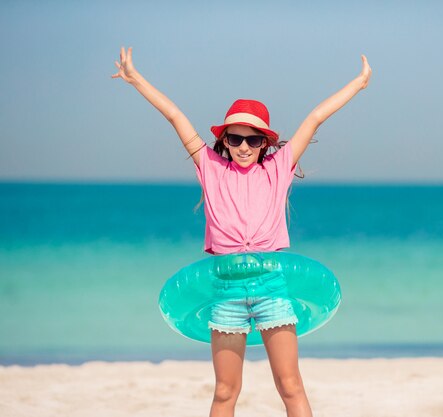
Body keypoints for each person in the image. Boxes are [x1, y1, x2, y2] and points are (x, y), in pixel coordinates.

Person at [112, 46, 371, 417]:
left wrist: (358, 85)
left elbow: (315, 118)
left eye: (252, 139)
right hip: (226, 290)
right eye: (235, 139)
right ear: (225, 141)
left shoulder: (278, 168)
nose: (243, 147)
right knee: (224, 393)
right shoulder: (210, 167)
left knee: (291, 386)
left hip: (271, 287)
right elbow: (174, 116)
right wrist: (136, 79)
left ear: (265, 141)